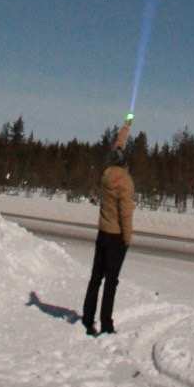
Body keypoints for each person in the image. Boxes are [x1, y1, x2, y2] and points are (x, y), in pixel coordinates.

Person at [81, 117, 134, 336]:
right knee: (111, 282)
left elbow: (118, 145)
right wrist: (127, 239)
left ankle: (87, 318)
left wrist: (126, 126)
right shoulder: (125, 182)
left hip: (102, 233)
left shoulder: (106, 175)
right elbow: (126, 214)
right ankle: (106, 324)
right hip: (115, 238)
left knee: (96, 278)